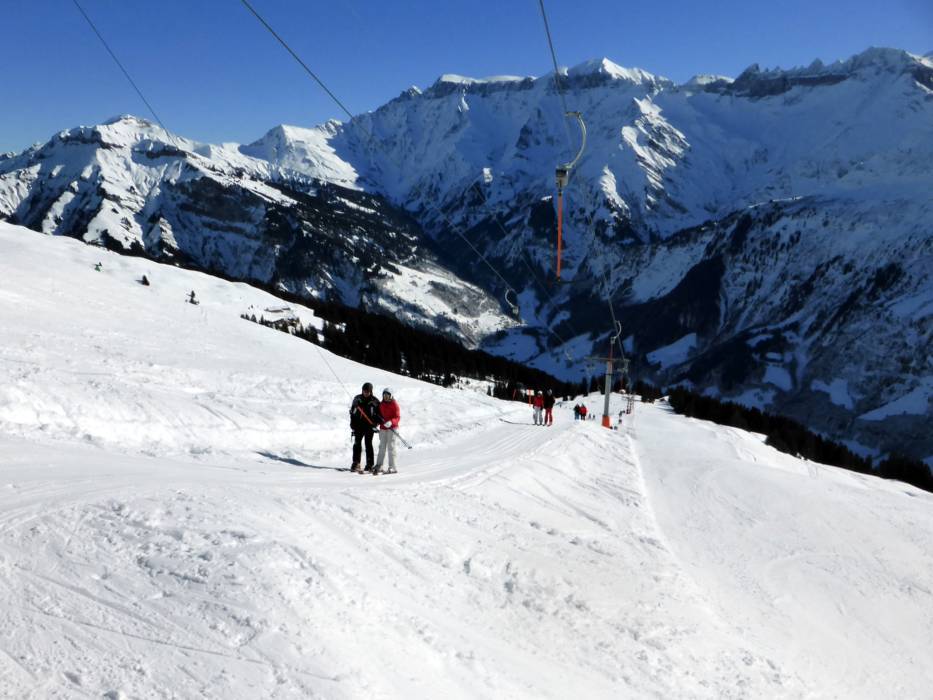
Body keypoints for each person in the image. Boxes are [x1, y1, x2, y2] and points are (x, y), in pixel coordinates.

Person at [349, 382, 380, 473]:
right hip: (358, 426)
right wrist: (352, 424)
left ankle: (369, 464)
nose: (366, 393)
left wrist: (375, 424)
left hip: (369, 426)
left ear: (371, 391)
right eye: (364, 391)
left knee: (368, 444)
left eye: (368, 391)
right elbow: (352, 413)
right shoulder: (357, 399)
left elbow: (379, 415)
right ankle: (356, 463)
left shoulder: (375, 401)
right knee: (357, 444)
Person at [374, 388, 400, 475]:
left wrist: (391, 422)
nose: (385, 397)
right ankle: (379, 465)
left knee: (391, 447)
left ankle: (392, 467)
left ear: (391, 396)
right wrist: (376, 424)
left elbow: (397, 417)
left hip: (392, 428)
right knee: (381, 447)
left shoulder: (394, 404)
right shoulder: (381, 404)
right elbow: (379, 416)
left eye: (387, 395)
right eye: (384, 395)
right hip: (383, 428)